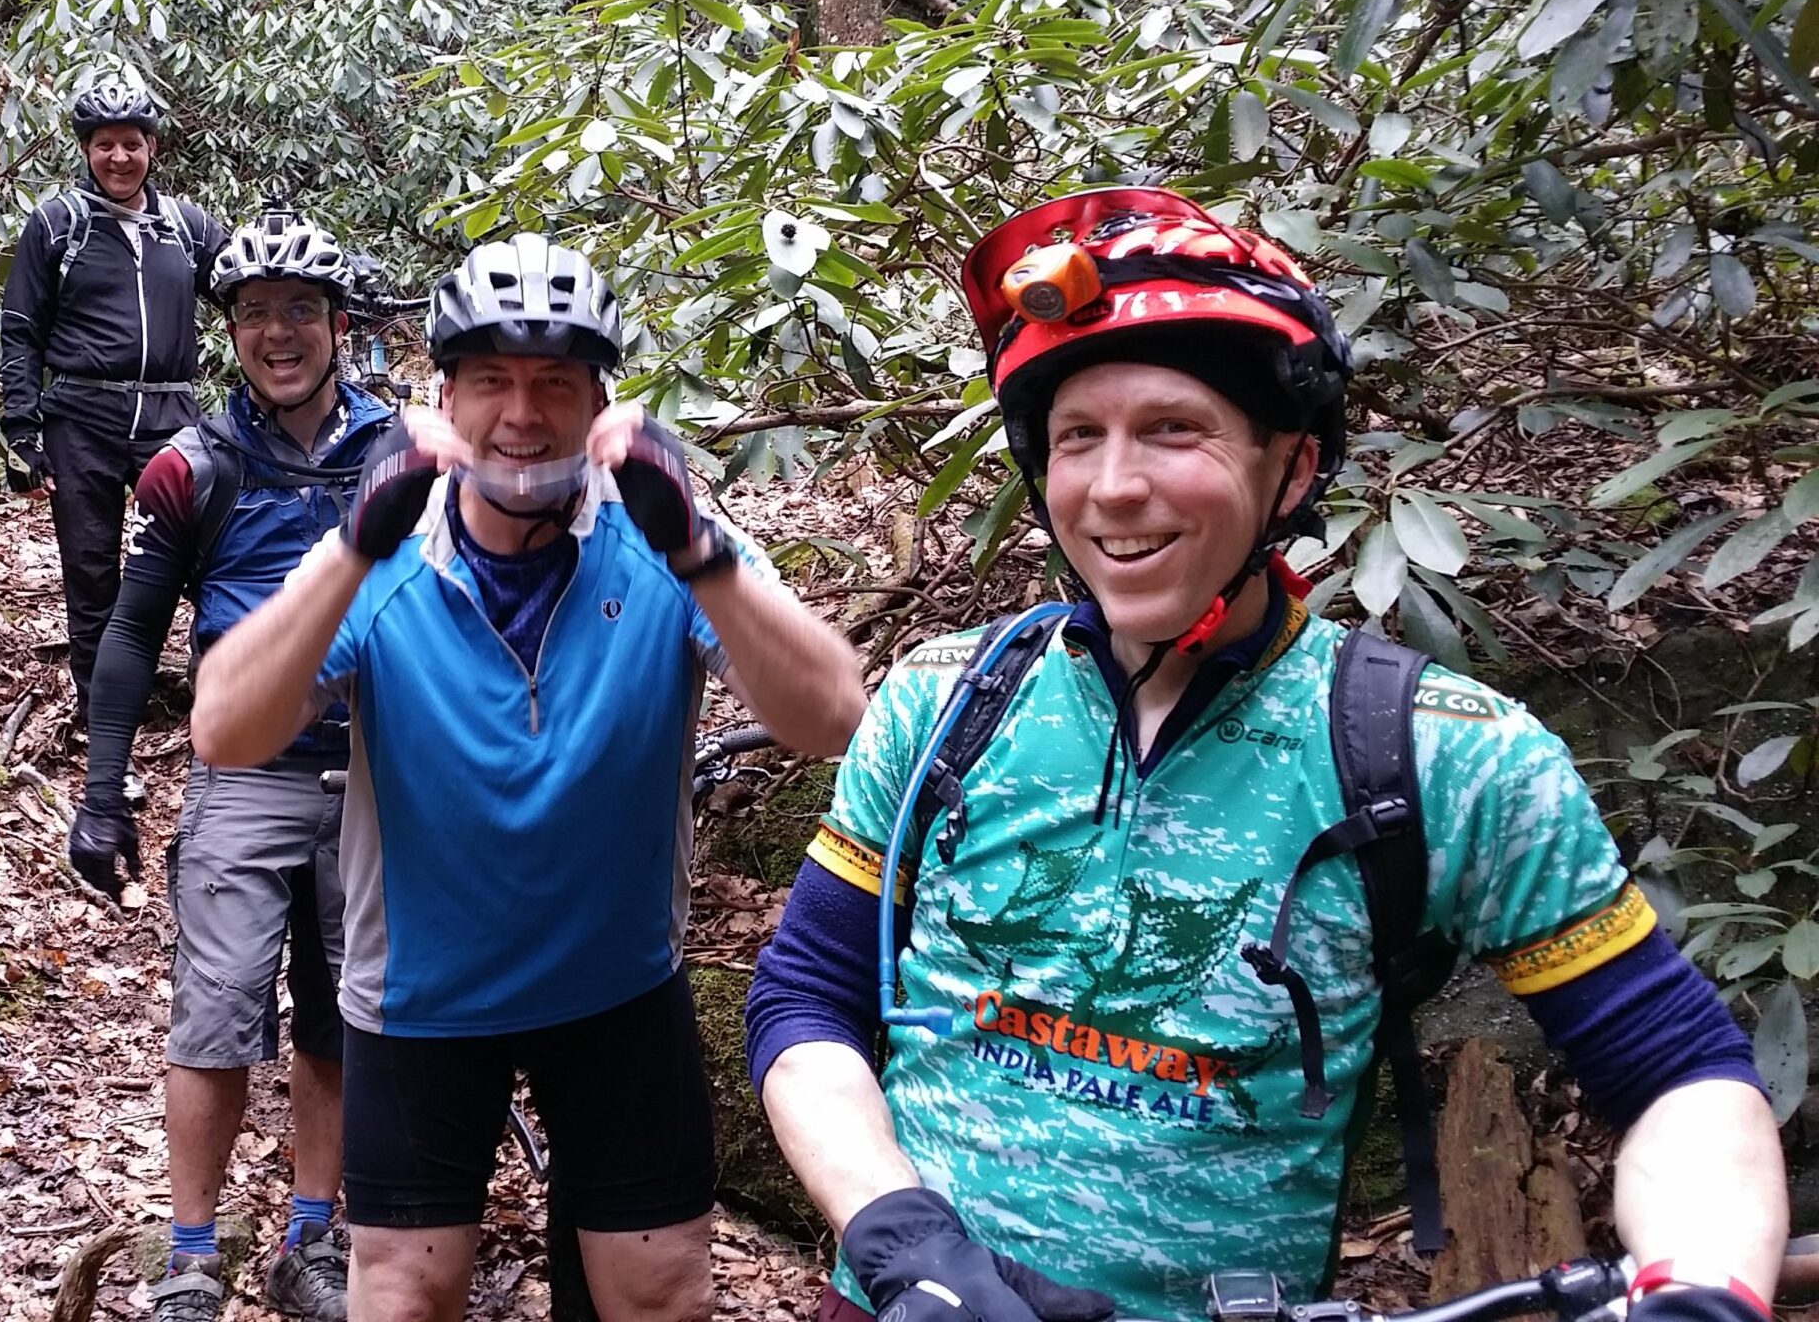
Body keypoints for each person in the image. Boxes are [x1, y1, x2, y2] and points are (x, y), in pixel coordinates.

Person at [746, 186, 1787, 1322]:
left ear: (1289, 470)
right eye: (1076, 437)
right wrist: (903, 1242)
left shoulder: (1444, 758)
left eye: (1172, 430)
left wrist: (1701, 1285)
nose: (1113, 485)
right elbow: (805, 999)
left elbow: (1678, 1074)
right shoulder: (946, 701)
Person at [189, 234, 867, 1322]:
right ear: (442, 399)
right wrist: (352, 550)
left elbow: (834, 716)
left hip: (616, 988)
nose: (521, 414)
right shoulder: (383, 548)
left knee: (654, 1295)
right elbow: (223, 731)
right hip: (418, 998)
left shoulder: (661, 536)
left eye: (555, 383)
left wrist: (698, 549)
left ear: (602, 402)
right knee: (404, 1296)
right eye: (492, 381)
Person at [62, 205, 391, 1322]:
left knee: (341, 1014)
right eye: (256, 315)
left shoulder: (399, 455)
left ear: (340, 324)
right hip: (247, 777)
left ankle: (313, 1239)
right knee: (212, 1018)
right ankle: (191, 1255)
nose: (279, 333)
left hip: (378, 782)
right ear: (232, 334)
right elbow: (128, 630)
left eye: (301, 310)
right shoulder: (195, 465)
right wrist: (102, 796)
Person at [0, 78, 227, 731]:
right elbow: (21, 328)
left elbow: (248, 288)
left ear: (152, 147)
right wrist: (22, 430)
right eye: (105, 145)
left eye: (131, 144)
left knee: (204, 554)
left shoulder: (186, 228)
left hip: (169, 415)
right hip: (81, 419)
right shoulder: (58, 226)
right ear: (87, 151)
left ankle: (218, 693)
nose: (119, 158)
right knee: (92, 572)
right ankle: (106, 720)